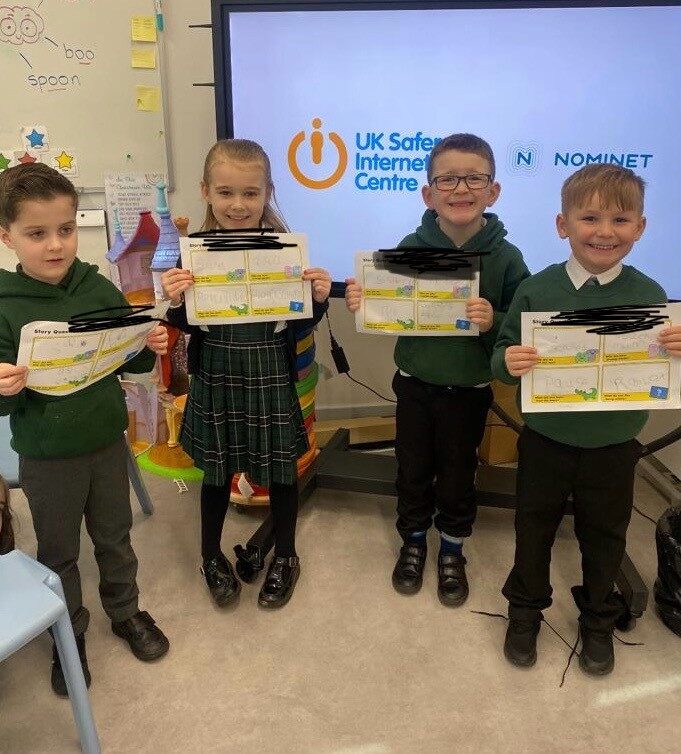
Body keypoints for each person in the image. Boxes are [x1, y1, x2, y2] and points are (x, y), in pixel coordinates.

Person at [492, 163, 681, 675]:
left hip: (615, 446)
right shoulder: (536, 290)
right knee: (533, 529)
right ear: (563, 225)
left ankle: (598, 618)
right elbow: (501, 357)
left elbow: (660, 364)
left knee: (606, 535)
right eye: (590, 218)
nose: (604, 232)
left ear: (640, 228)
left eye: (620, 220)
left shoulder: (651, 295)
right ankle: (525, 611)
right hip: (546, 440)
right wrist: (508, 360)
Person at [0, 162, 170, 696]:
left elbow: (133, 362)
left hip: (105, 443)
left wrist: (149, 345)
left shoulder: (98, 287)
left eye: (66, 229)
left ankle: (125, 610)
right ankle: (68, 633)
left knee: (115, 537)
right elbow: (3, 404)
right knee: (59, 551)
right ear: (7, 237)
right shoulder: (4, 306)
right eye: (37, 233)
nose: (56, 245)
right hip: (47, 455)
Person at [345, 133, 529, 606]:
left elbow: (523, 324)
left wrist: (494, 320)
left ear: (493, 191)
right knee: (411, 468)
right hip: (414, 385)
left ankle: (452, 546)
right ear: (429, 194)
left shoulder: (508, 257)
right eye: (447, 179)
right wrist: (365, 301)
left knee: (457, 472)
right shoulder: (410, 246)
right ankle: (413, 540)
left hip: (469, 390)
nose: (461, 188)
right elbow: (389, 304)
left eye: (474, 178)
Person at [162, 138, 331, 609]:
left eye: (250, 193)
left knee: (281, 470)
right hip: (217, 370)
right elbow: (184, 323)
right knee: (216, 473)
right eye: (225, 192)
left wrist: (317, 300)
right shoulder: (193, 252)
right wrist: (174, 301)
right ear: (206, 191)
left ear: (267, 193)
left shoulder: (286, 249)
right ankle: (209, 556)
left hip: (269, 368)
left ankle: (287, 555)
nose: (238, 204)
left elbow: (298, 322)